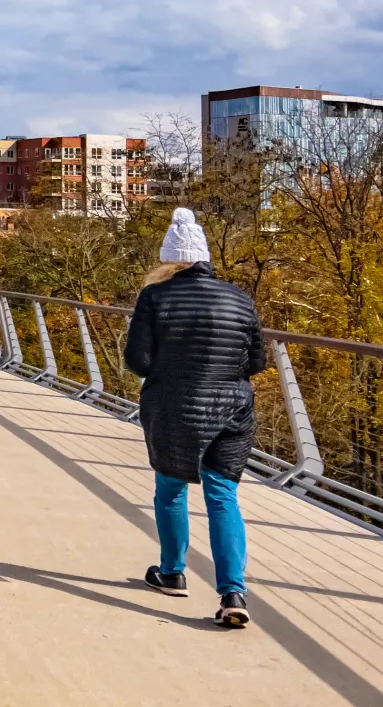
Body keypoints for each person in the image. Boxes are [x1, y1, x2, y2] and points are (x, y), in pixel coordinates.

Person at [125, 207, 266, 628]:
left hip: (175, 406)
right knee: (222, 494)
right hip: (232, 407)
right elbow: (255, 360)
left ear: (169, 260)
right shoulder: (240, 298)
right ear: (204, 257)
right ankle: (232, 592)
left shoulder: (155, 297)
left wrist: (168, 372)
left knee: (171, 489)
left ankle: (171, 573)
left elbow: (137, 359)